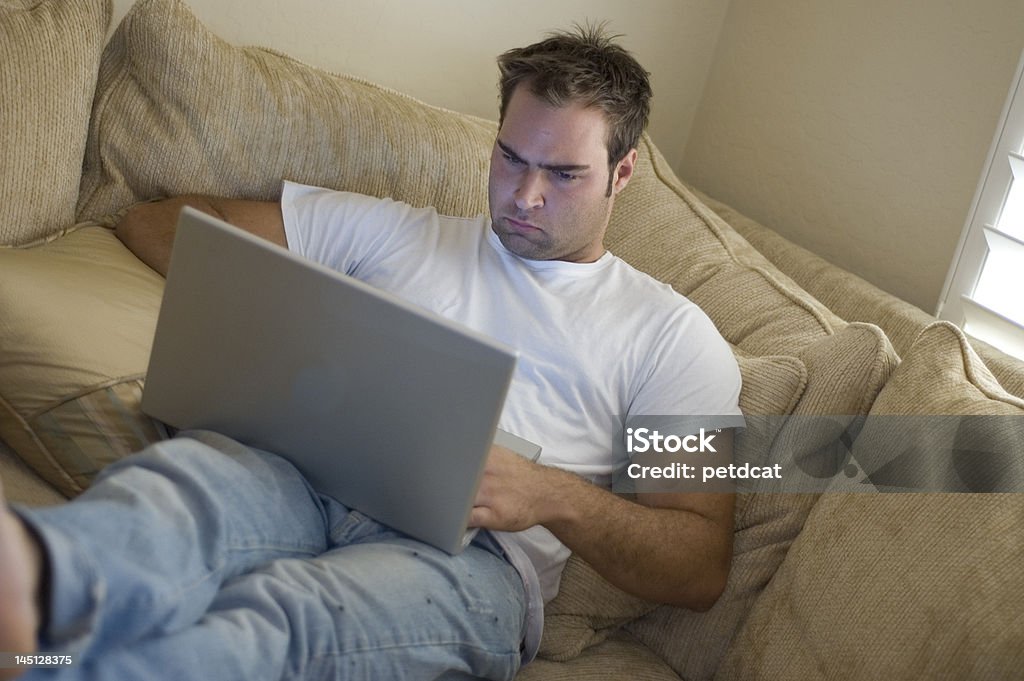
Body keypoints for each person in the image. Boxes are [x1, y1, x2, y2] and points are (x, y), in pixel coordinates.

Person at [0, 25, 743, 681]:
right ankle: (32, 601)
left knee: (291, 621)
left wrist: (549, 494)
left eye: (562, 173)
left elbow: (697, 559)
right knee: (174, 505)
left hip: (474, 560)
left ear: (622, 173)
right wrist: (283, 324)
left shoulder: (671, 336)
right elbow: (167, 226)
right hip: (295, 472)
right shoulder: (397, 233)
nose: (523, 194)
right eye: (511, 158)